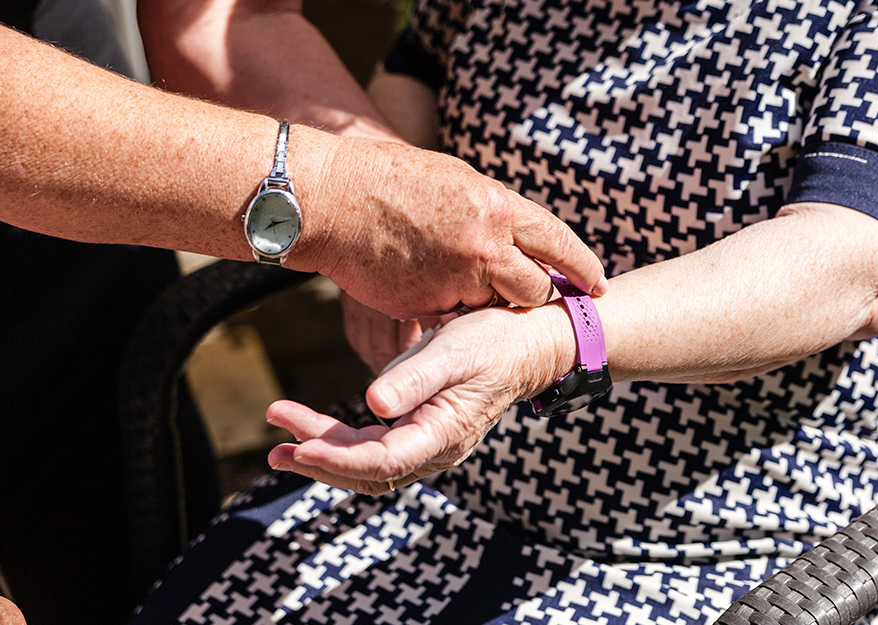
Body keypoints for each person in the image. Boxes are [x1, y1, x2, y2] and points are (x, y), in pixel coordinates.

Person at [130, 0, 878, 623]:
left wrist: (558, 341)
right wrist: (380, 221)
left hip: (736, 533)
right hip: (444, 488)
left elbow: (847, 268)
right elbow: (416, 75)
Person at [0, 3, 606, 624]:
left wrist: (394, 194)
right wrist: (342, 201)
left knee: (106, 558)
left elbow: (222, 19)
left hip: (74, 198)